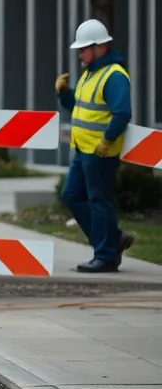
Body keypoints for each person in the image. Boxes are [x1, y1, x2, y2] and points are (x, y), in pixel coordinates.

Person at [55, 18, 135, 273]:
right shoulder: (92, 73)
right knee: (71, 195)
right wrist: (64, 93)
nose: (80, 52)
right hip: (83, 149)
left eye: (85, 48)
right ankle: (113, 240)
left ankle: (105, 256)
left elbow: (122, 113)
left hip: (100, 151)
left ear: (102, 47)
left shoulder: (114, 76)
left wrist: (107, 141)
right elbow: (77, 107)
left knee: (100, 201)